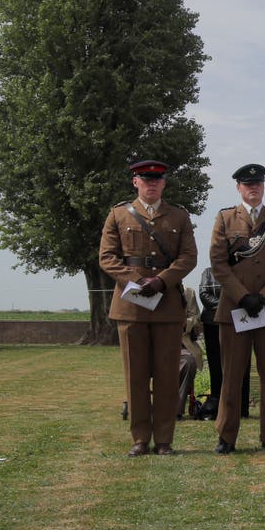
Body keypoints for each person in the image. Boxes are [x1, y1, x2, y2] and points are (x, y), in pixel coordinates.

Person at [98, 159, 198, 456]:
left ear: (164, 183)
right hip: (131, 305)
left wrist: (163, 280)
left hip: (166, 305)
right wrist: (137, 280)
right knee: (136, 375)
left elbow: (188, 257)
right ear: (135, 182)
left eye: (157, 179)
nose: (151, 183)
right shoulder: (118, 215)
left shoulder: (179, 216)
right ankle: (140, 438)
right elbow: (107, 257)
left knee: (167, 375)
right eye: (145, 178)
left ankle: (165, 439)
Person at [208, 163, 265, 454]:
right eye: (248, 185)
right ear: (238, 188)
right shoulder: (224, 219)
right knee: (232, 375)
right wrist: (243, 296)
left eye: (258, 183)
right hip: (235, 310)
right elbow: (218, 264)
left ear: (263, 186)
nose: (253, 188)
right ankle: (226, 437)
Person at [197, 266, 250, 420]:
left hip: (239, 321)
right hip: (212, 323)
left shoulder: (243, 272)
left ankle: (242, 407)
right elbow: (204, 295)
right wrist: (226, 306)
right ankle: (217, 407)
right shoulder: (207, 272)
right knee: (216, 365)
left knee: (242, 364)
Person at [177, 284, 203, 419]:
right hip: (153, 346)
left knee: (189, 362)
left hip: (181, 345)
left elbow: (195, 317)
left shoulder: (188, 292)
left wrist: (182, 323)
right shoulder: (149, 290)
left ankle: (176, 410)